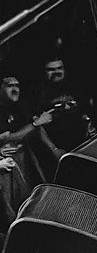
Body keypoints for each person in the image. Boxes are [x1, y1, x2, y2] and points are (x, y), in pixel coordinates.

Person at [0, 75, 59, 229]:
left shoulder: (20, 106)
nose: (15, 89)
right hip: (6, 162)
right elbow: (8, 137)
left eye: (17, 85)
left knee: (34, 194)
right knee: (11, 204)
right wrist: (36, 123)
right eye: (9, 85)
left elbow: (35, 128)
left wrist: (53, 149)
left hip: (24, 155)